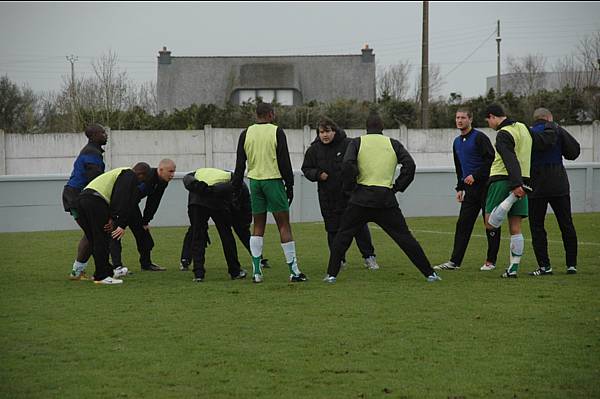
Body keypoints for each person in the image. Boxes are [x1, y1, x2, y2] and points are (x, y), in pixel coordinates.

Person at [323, 111, 441, 283]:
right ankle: (429, 273)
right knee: (405, 238)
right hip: (385, 198)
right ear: (382, 128)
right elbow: (410, 165)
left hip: (360, 198)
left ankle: (332, 274)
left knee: (343, 236)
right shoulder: (393, 143)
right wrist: (397, 187)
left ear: (366, 128)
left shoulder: (357, 142)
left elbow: (347, 165)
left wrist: (351, 188)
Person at [232, 102, 307, 283]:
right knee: (283, 225)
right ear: (271, 114)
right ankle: (294, 271)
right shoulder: (276, 132)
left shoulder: (245, 133)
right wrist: (290, 185)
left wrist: (235, 189)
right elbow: (284, 162)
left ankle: (257, 272)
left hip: (255, 182)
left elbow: (240, 165)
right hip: (273, 181)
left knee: (257, 226)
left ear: (256, 115)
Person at [301, 116, 380, 270]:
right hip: (327, 197)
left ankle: (369, 257)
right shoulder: (313, 150)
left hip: (351, 194)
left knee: (359, 227)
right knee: (332, 229)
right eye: (321, 132)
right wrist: (317, 174)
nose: (324, 135)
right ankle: (339, 259)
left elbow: (361, 163)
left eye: (327, 131)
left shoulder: (348, 144)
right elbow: (306, 169)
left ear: (334, 131)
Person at [434, 108, 499, 271]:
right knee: (463, 224)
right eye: (457, 117)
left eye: (463, 117)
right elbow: (459, 167)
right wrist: (460, 187)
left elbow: (491, 160)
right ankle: (454, 262)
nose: (459, 120)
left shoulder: (479, 138)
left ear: (470, 119)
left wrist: (476, 176)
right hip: (469, 190)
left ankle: (490, 261)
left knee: (490, 224)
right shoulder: (456, 142)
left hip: (486, 187)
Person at [76, 163, 152, 285]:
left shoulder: (119, 171)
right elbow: (120, 198)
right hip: (95, 201)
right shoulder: (129, 175)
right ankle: (102, 276)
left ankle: (105, 270)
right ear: (140, 174)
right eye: (143, 180)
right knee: (102, 238)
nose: (140, 183)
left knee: (94, 239)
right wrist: (115, 219)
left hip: (82, 199)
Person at [527, 107, 580, 276]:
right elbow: (573, 152)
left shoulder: (528, 133)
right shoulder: (557, 130)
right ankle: (571, 264)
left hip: (535, 184)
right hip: (559, 183)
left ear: (535, 119)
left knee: (537, 227)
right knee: (566, 224)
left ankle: (545, 266)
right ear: (549, 117)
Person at [482, 104, 532, 279]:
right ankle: (513, 269)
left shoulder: (503, 134)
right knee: (516, 228)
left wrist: (515, 185)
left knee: (490, 223)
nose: (489, 124)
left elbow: (509, 158)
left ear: (492, 116)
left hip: (504, 180)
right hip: (524, 182)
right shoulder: (523, 128)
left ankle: (511, 198)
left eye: (487, 120)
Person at [179, 179, 270, 270]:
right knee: (225, 234)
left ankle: (192, 267)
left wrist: (244, 223)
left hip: (205, 200)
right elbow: (246, 208)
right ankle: (236, 269)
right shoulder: (237, 187)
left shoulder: (239, 189)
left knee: (197, 231)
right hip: (213, 201)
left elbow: (246, 208)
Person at [109, 159, 176, 272]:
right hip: (122, 204)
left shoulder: (163, 182)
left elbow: (154, 202)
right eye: (170, 171)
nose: (172, 175)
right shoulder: (147, 177)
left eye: (174, 171)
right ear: (160, 170)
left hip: (133, 205)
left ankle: (146, 264)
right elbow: (131, 197)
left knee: (143, 234)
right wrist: (122, 223)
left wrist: (146, 221)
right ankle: (117, 266)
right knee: (116, 233)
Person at [183, 167, 248, 282]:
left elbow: (187, 179)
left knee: (197, 236)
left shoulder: (197, 173)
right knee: (226, 235)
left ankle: (198, 274)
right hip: (218, 202)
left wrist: (202, 189)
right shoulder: (234, 180)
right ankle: (235, 271)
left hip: (196, 201)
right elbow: (240, 196)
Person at [62, 124, 108, 280]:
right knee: (93, 234)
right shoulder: (91, 153)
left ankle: (79, 271)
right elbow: (94, 178)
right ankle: (100, 271)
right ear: (93, 136)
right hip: (77, 196)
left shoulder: (93, 151)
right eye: (102, 132)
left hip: (75, 194)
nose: (105, 134)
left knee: (91, 234)